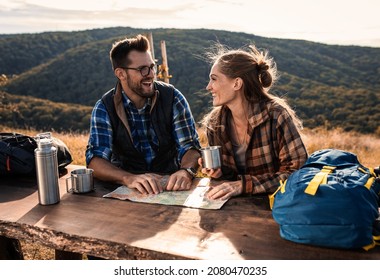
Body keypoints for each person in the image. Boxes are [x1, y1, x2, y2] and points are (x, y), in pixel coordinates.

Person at [86, 34, 201, 194]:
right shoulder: (105, 107)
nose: (151, 74)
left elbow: (190, 146)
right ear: (121, 74)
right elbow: (95, 160)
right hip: (128, 189)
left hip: (171, 186)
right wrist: (128, 178)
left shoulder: (173, 98)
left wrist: (186, 171)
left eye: (152, 67)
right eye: (142, 69)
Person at [199, 44, 308, 200]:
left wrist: (244, 185)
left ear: (236, 83)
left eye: (214, 79)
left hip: (277, 206)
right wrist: (218, 172)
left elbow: (298, 174)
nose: (208, 86)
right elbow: (230, 177)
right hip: (234, 209)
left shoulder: (276, 115)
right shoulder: (215, 123)